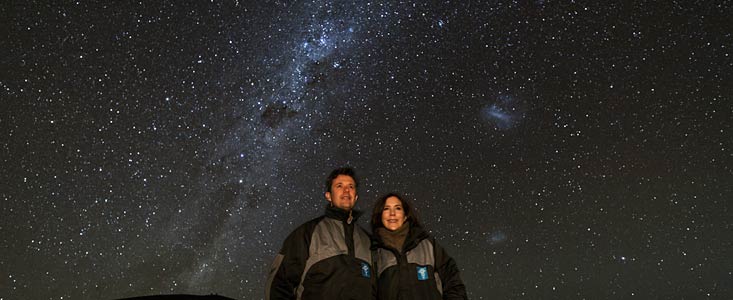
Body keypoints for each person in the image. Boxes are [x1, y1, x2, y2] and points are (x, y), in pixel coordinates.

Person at [266, 167, 374, 300]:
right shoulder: (307, 233)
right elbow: (279, 284)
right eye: (339, 186)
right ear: (328, 195)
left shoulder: (368, 241)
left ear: (356, 196)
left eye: (351, 186)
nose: (346, 190)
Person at [370, 193, 467, 300]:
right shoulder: (373, 251)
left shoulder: (428, 245)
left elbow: (453, 280)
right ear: (380, 216)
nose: (392, 213)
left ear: (405, 215)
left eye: (398, 208)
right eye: (386, 209)